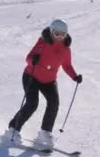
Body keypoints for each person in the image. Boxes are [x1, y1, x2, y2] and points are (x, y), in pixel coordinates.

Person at [6, 19, 83, 147]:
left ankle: (44, 133)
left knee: (54, 103)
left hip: (49, 80)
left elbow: (67, 65)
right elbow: (28, 58)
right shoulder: (43, 42)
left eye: (62, 34)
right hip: (32, 76)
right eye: (57, 34)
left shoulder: (65, 49)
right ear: (51, 32)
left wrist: (75, 76)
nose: (59, 37)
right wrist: (33, 60)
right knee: (32, 104)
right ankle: (13, 129)